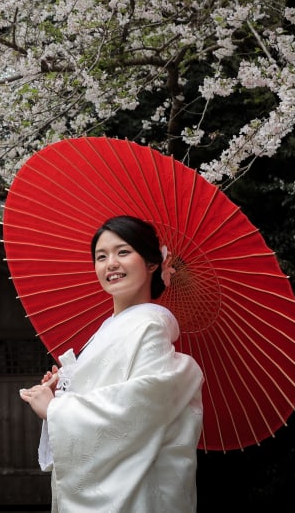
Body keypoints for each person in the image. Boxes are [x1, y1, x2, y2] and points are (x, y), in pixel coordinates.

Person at [18, 215, 204, 512]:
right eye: (101, 257)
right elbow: (105, 395)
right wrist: (62, 394)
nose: (110, 264)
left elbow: (140, 408)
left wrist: (57, 410)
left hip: (136, 490)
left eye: (123, 252)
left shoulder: (150, 326)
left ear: (152, 264)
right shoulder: (107, 329)